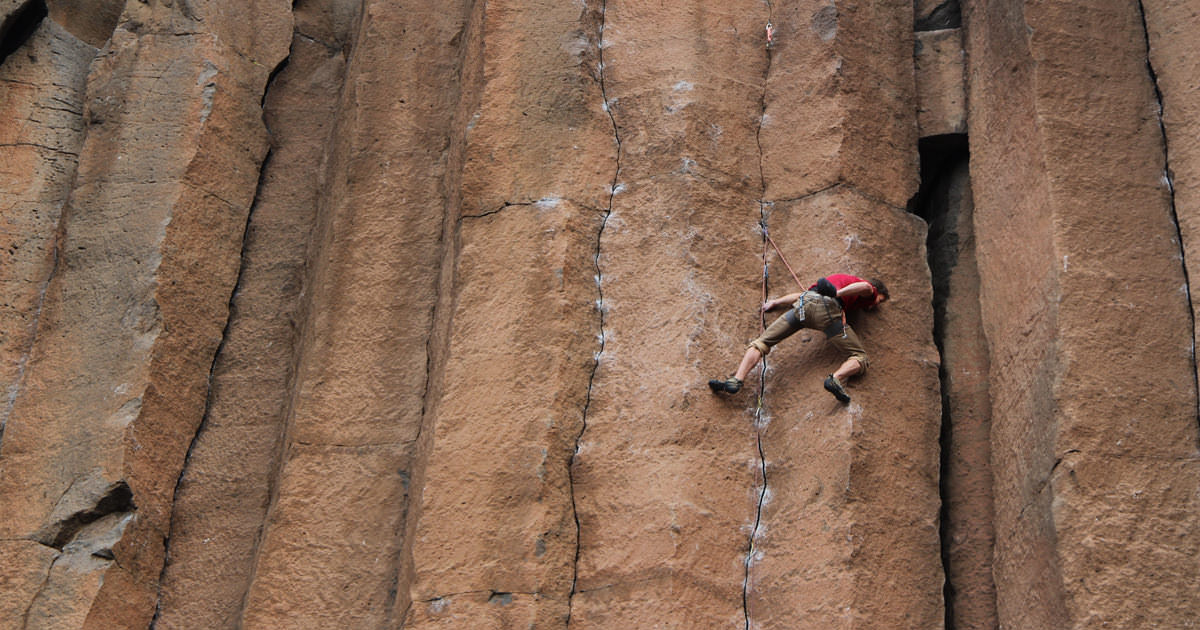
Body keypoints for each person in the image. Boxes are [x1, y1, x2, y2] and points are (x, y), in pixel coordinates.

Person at [708, 273, 888, 403]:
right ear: (878, 292)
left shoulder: (839, 279)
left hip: (804, 304)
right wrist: (836, 294)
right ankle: (836, 378)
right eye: (879, 301)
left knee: (761, 343)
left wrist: (775, 302)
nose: (874, 306)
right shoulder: (864, 288)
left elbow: (800, 295)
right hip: (827, 310)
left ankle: (736, 380)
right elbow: (865, 288)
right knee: (860, 357)